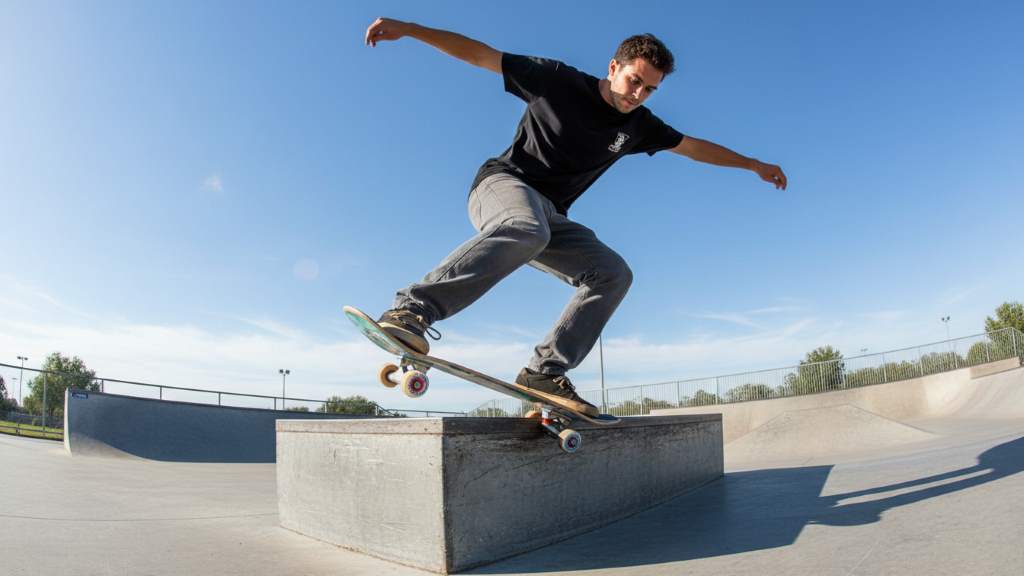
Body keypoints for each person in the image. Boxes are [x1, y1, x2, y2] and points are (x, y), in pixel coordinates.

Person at [363, 17, 787, 417]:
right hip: (502, 186)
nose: (637, 94)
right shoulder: (556, 80)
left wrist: (753, 165)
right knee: (527, 227)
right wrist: (411, 29)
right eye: (633, 81)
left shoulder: (639, 125)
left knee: (612, 273)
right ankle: (411, 311)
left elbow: (693, 147)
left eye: (649, 89)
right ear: (613, 67)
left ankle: (544, 373)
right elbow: (480, 54)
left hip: (550, 218)